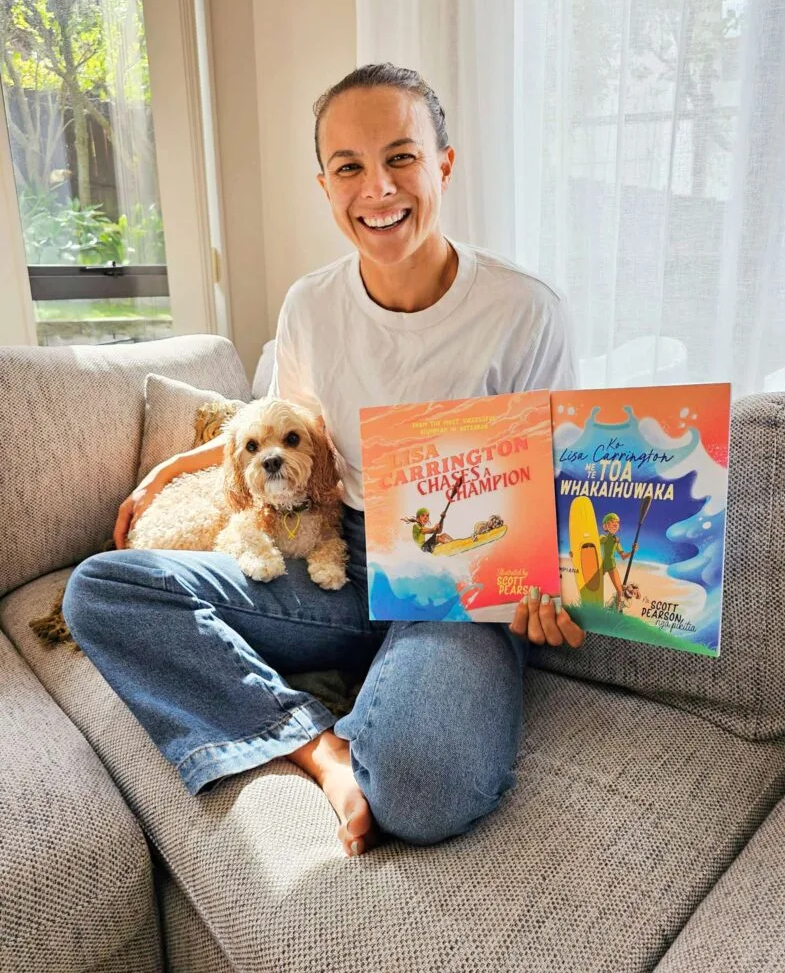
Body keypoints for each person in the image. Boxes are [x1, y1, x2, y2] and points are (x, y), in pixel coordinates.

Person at [63, 63, 587, 860]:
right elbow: (290, 426)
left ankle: (393, 695)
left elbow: (559, 483)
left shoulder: (524, 309)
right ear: (325, 185)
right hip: (336, 559)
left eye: (401, 157)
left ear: (443, 164)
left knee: (420, 790)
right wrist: (171, 471)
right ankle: (315, 744)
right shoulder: (311, 303)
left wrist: (547, 586)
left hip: (459, 587)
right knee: (100, 588)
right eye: (349, 167)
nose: (376, 188)